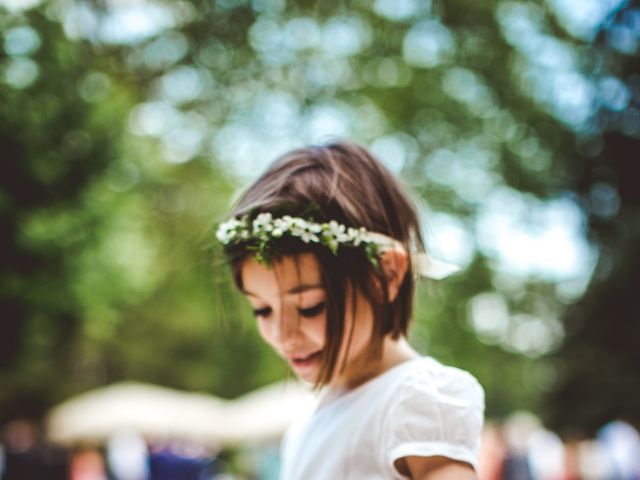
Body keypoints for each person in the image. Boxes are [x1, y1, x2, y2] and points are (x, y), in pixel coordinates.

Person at [215, 139, 485, 479]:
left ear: (387, 275)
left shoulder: (418, 398)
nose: (282, 334)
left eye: (310, 307)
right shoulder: (308, 422)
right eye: (262, 310)